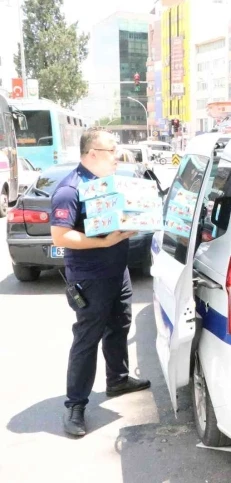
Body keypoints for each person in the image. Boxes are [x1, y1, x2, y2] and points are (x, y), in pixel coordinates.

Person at [51, 127, 151, 437]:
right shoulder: (70, 189)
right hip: (89, 277)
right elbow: (61, 236)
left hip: (116, 271)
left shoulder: (106, 185)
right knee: (87, 338)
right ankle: (76, 405)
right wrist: (104, 243)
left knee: (120, 323)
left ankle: (117, 379)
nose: (118, 158)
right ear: (93, 153)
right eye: (113, 152)